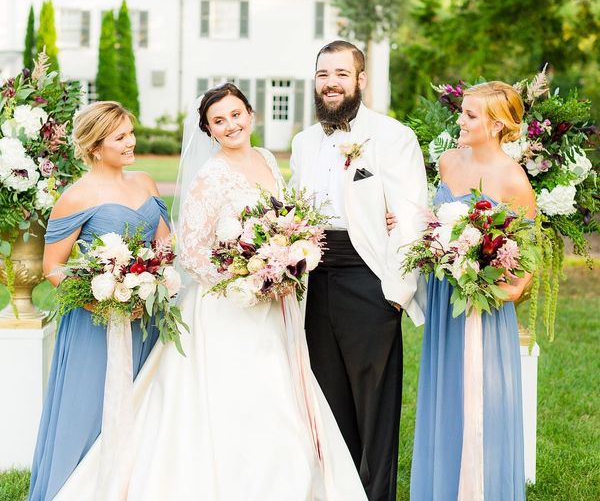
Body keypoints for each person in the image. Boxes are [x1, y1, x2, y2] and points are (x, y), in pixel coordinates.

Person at [54, 83, 367, 500]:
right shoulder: (211, 176)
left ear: (250, 114)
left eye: (236, 115)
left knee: (279, 395)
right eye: (219, 121)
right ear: (209, 131)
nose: (230, 125)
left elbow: (281, 219)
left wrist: (286, 255)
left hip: (274, 304)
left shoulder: (268, 160)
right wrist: (248, 278)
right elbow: (193, 251)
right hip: (227, 306)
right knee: (234, 399)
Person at [290, 40, 428, 501]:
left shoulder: (393, 136)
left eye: (341, 74)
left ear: (360, 80)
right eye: (323, 74)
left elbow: (412, 216)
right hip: (314, 280)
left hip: (369, 278)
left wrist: (397, 291)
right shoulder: (303, 143)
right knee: (329, 406)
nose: (330, 83)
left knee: (376, 408)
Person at [28, 101, 169, 501]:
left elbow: (164, 245)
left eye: (131, 133)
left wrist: (153, 278)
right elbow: (52, 267)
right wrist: (102, 297)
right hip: (95, 319)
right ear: (94, 146)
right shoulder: (76, 197)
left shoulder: (145, 183)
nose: (131, 142)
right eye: (120, 136)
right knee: (89, 405)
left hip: (145, 313)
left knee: (146, 400)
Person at [410, 81, 535, 501]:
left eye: (469, 115)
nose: (459, 120)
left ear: (497, 125)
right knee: (445, 402)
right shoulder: (447, 162)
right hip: (447, 304)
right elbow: (430, 225)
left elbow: (525, 269)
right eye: (461, 112)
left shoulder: (514, 181)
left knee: (480, 408)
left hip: (483, 313)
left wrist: (486, 283)